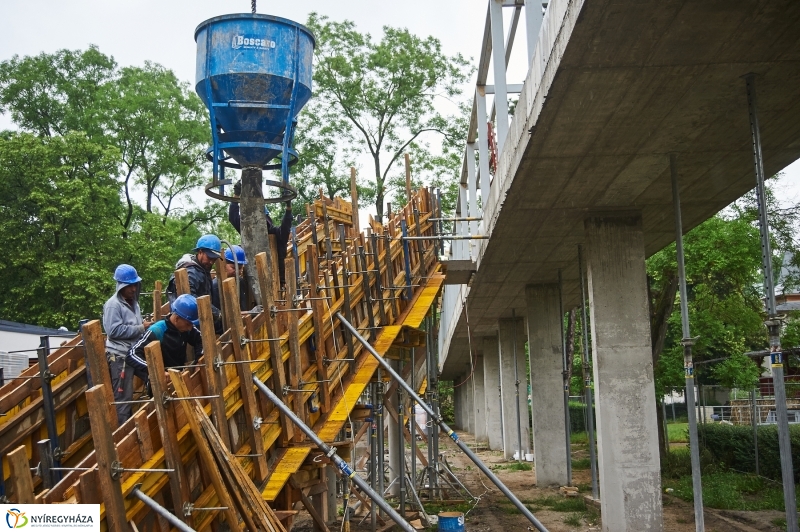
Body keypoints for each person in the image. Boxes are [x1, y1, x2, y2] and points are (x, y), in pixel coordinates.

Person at [103, 264, 153, 424]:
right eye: (129, 285)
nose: (133, 288)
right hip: (120, 357)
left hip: (134, 353)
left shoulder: (134, 303)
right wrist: (140, 328)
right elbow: (113, 331)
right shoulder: (113, 305)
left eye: (135, 285)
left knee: (153, 377)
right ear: (121, 286)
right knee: (123, 399)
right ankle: (121, 436)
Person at [229, 180, 293, 285]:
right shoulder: (249, 231)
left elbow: (286, 226)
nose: (256, 222)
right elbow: (233, 217)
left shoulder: (276, 234)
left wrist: (288, 207)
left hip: (276, 282)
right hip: (252, 281)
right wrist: (236, 195)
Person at [128, 294, 204, 372]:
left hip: (179, 376)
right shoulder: (157, 331)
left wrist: (198, 361)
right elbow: (132, 354)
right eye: (188, 324)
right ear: (177, 319)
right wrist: (158, 372)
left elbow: (201, 339)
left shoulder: (186, 327)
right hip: (160, 381)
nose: (190, 328)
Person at [166, 234, 223, 332]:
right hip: (188, 322)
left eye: (214, 259)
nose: (211, 262)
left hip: (198, 319)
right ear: (200, 252)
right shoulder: (191, 272)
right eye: (209, 258)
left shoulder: (202, 268)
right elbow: (189, 297)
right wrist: (214, 311)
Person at [212, 244, 250, 311]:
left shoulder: (241, 282)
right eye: (233, 268)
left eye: (240, 268)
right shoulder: (215, 287)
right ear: (224, 265)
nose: (237, 271)